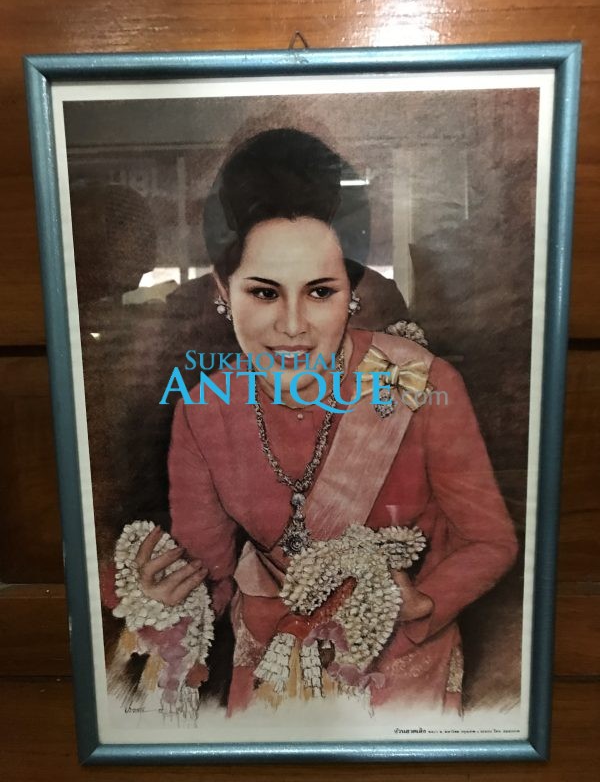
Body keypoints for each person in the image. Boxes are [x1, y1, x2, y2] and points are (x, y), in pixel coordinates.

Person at [106, 128, 518, 717]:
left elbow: (490, 540)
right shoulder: (203, 410)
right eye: (264, 294)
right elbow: (210, 576)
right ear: (223, 291)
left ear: (353, 291)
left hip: (399, 670)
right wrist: (166, 595)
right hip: (265, 671)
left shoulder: (418, 382)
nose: (293, 326)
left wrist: (425, 601)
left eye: (320, 292)